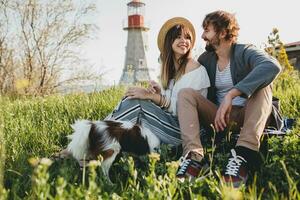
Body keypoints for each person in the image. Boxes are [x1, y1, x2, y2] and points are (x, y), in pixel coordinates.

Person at [55, 17, 210, 163]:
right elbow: (170, 101)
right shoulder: (170, 71)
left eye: (187, 38)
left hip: (185, 132)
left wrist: (155, 98)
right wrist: (158, 93)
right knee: (131, 99)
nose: (184, 41)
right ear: (169, 41)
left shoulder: (195, 69)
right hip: (168, 125)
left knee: (138, 104)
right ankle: (94, 143)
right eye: (178, 37)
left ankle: (86, 141)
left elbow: (188, 111)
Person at [175, 10, 281, 187]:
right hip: (221, 119)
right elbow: (185, 74)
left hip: (251, 115)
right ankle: (195, 157)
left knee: (263, 86)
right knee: (185, 93)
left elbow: (272, 66)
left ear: (223, 32)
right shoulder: (206, 59)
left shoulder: (245, 51)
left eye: (207, 31)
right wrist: (161, 88)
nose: (202, 36)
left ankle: (243, 155)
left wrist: (232, 94)